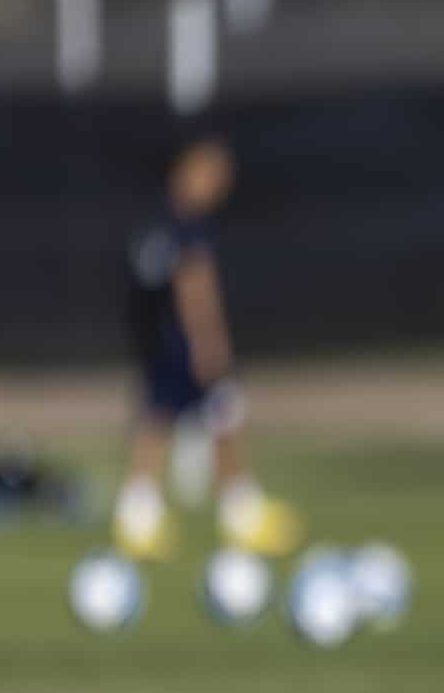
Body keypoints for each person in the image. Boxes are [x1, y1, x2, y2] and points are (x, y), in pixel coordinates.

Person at [114, 135, 303, 560]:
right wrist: (209, 343)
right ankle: (233, 513)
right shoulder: (187, 226)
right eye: (210, 171)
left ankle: (152, 514)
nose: (218, 182)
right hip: (182, 342)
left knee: (180, 418)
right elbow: (193, 287)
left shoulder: (158, 221)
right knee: (193, 417)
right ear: (184, 171)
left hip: (158, 340)